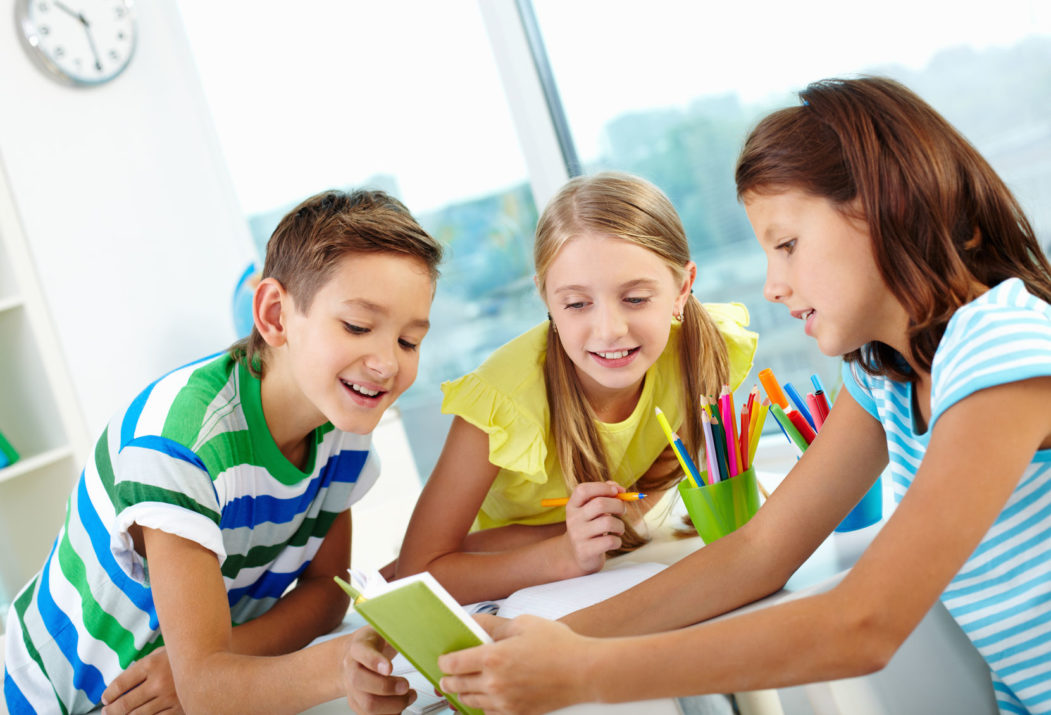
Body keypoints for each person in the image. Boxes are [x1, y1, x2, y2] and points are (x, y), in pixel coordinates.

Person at [435, 77, 1051, 715]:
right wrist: (547, 642)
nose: (773, 285)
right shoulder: (883, 377)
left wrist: (585, 672)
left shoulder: (998, 350)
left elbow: (864, 624)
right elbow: (757, 553)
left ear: (888, 205)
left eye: (786, 245)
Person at [3, 189, 444, 715]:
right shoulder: (177, 444)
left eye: (409, 341)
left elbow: (327, 591)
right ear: (275, 315)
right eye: (357, 326)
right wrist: (331, 665)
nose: (385, 364)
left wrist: (210, 666)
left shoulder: (342, 421)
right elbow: (208, 693)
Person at [394, 171, 758, 605]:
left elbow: (655, 480)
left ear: (682, 288)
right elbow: (416, 574)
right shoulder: (503, 401)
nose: (609, 331)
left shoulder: (700, 348)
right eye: (577, 304)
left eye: (636, 298)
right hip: (502, 592)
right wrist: (564, 552)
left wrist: (609, 527)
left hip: (615, 563)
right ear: (547, 300)